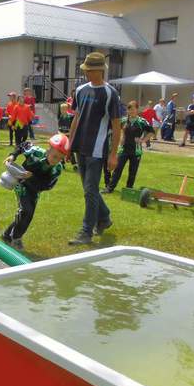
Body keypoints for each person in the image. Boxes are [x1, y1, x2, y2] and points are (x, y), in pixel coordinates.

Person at [67, 52, 121, 246]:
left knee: (90, 190)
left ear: (99, 70)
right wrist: (69, 143)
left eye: (89, 70)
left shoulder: (110, 93)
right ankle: (104, 218)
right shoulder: (81, 90)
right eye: (86, 70)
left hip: (97, 150)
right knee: (89, 189)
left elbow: (116, 125)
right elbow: (76, 117)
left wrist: (113, 154)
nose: (86, 73)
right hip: (79, 146)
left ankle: (86, 232)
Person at [2, 134, 67, 251]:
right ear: (48, 149)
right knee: (26, 210)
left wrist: (31, 178)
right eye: (54, 156)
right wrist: (13, 155)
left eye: (59, 158)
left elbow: (47, 185)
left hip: (35, 189)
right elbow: (23, 145)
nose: (55, 160)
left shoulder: (57, 169)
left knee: (28, 215)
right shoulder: (35, 152)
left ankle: (7, 234)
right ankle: (16, 238)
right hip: (21, 184)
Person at [102, 101, 154, 194]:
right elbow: (116, 129)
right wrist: (122, 137)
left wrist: (143, 140)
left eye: (133, 109)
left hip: (136, 151)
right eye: (130, 109)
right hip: (124, 149)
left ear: (137, 110)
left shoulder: (142, 121)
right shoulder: (123, 120)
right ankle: (109, 188)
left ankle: (128, 190)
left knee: (132, 172)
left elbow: (151, 132)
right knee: (117, 169)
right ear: (127, 110)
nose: (131, 111)